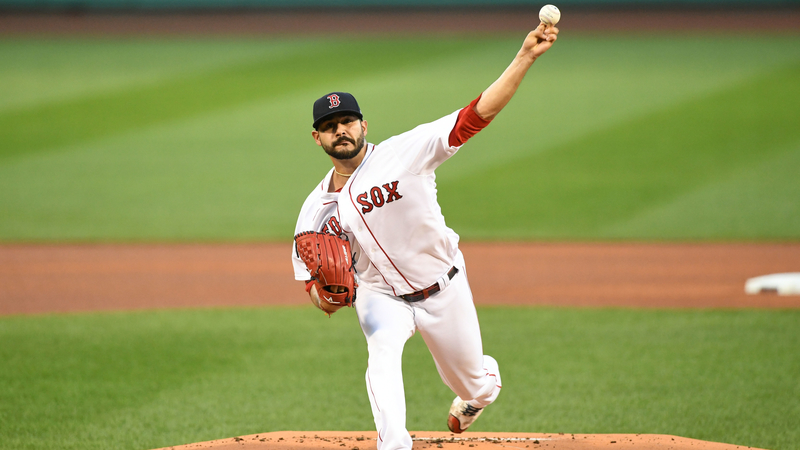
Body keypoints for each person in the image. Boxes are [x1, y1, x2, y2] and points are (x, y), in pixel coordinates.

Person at [292, 23, 558, 450]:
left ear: (363, 125)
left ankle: (480, 391)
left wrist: (525, 56)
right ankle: (394, 445)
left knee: (474, 383)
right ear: (317, 137)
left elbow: (476, 115)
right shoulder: (313, 210)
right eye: (329, 126)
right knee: (381, 351)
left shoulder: (405, 153)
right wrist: (327, 295)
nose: (340, 130)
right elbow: (311, 284)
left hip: (442, 287)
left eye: (347, 121)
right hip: (381, 295)